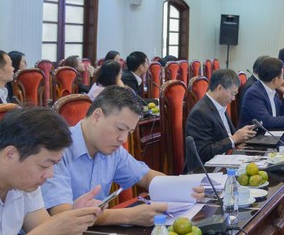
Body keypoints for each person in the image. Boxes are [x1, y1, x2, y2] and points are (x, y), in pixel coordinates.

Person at [42, 86, 204, 226]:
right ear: (97, 117)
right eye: (120, 129)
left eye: (129, 132)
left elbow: (146, 177)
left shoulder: (112, 150)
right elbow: (61, 212)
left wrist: (183, 188)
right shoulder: (57, 150)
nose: (123, 139)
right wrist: (129, 216)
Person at [185, 69, 257, 166]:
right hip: (206, 170)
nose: (233, 98)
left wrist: (241, 135)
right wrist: (234, 139)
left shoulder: (219, 105)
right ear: (219, 88)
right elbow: (203, 152)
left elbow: (225, 136)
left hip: (226, 160)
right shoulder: (200, 113)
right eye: (232, 94)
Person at [238, 57, 284, 132]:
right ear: (275, 79)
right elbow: (266, 121)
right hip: (254, 138)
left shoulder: (272, 90)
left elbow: (282, 115)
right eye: (282, 76)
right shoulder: (254, 93)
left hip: (271, 134)